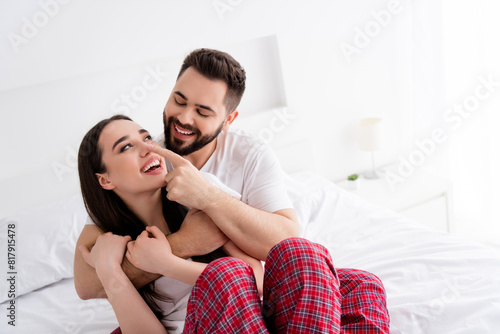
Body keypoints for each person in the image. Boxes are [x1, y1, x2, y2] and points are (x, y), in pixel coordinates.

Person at [74, 48, 390, 332]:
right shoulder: (117, 224)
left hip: (253, 308)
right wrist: (174, 249)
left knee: (344, 274)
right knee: (228, 275)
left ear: (228, 120)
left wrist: (204, 203)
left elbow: (274, 257)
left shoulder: (215, 182)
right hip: (206, 316)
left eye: (203, 111)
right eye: (179, 100)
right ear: (105, 180)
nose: (183, 118)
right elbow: (87, 285)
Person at [77, 115, 363, 333]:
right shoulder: (108, 244)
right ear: (105, 179)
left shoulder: (198, 196)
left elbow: (258, 281)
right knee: (226, 274)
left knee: (324, 265)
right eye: (126, 147)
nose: (148, 149)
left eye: (147, 137)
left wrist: (168, 264)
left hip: (259, 318)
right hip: (203, 326)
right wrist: (109, 269)